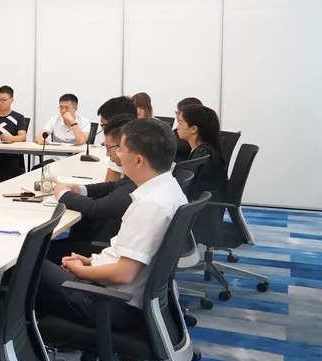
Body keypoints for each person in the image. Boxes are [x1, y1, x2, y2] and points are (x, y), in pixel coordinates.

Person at [35, 118, 186, 330]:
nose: (116, 156)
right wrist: (91, 262)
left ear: (138, 160)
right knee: (38, 263)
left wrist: (80, 271)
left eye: (121, 150)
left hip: (112, 303)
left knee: (22, 265)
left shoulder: (149, 205)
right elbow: (127, 258)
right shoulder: (169, 188)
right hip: (118, 293)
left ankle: (13, 337)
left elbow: (124, 273)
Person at [47, 113, 138, 263]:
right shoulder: (138, 176)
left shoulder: (139, 182)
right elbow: (113, 186)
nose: (107, 153)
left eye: (109, 148)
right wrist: (80, 189)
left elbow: (97, 208)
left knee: (33, 253)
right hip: (109, 241)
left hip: (105, 249)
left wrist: (63, 194)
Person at [176, 103, 228, 244]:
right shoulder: (203, 149)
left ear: (194, 129)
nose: (177, 127)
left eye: (180, 122)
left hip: (201, 214)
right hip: (202, 209)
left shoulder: (203, 153)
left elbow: (189, 187)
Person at [96, 96, 137, 181]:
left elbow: (110, 183)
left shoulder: (123, 149)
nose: (103, 130)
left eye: (103, 125)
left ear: (118, 122)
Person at [173, 97, 203, 161]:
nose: (178, 117)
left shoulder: (198, 145)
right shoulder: (176, 132)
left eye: (180, 113)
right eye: (177, 113)